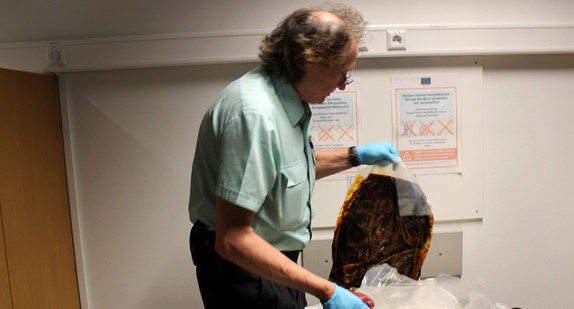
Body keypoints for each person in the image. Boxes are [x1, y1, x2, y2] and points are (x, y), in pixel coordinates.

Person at [188, 3, 402, 309]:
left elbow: (284, 173)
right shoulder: (255, 114)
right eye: (342, 72)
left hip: (270, 261)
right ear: (310, 61)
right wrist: (327, 291)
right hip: (243, 267)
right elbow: (232, 239)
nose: (342, 85)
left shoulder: (286, 101)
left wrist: (358, 155)